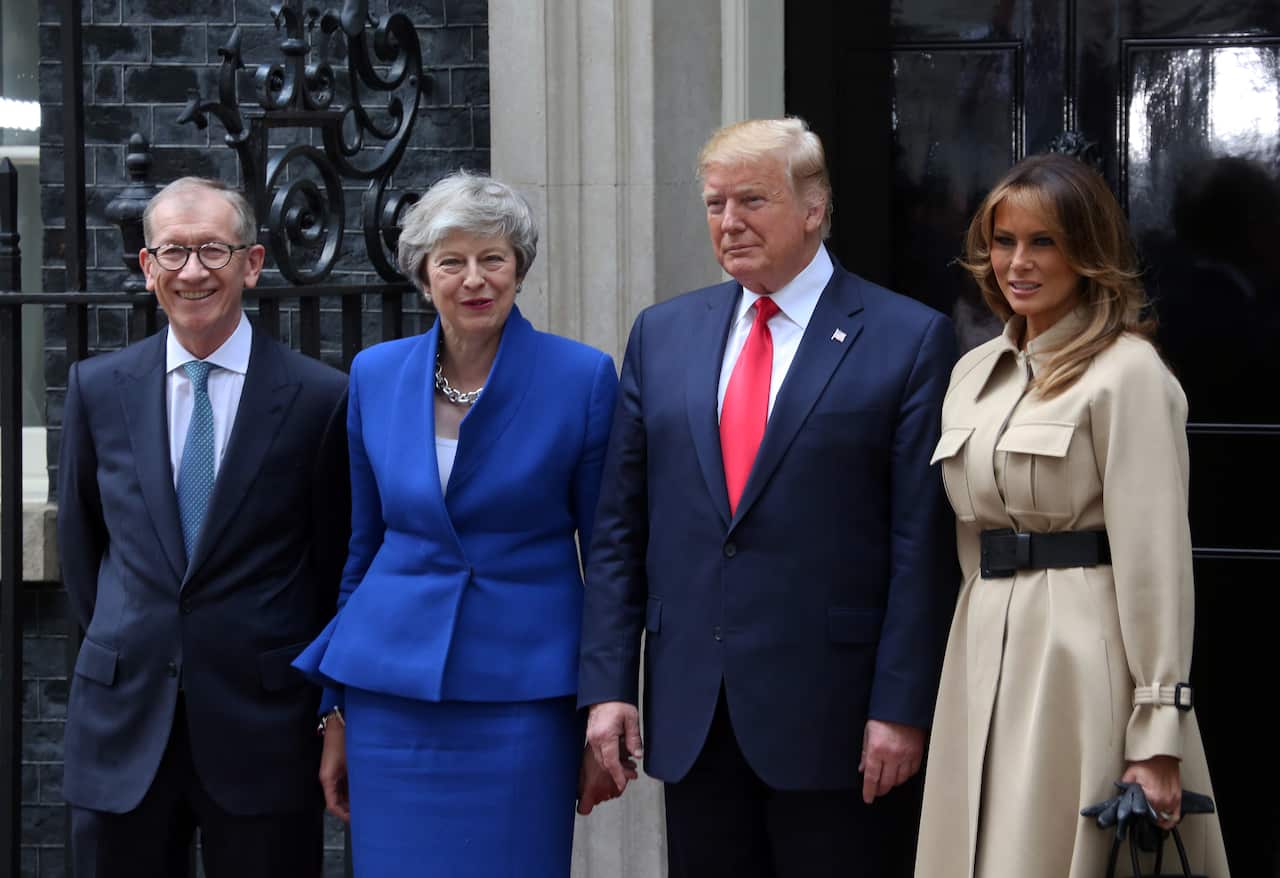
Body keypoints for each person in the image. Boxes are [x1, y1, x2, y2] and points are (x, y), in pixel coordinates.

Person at [578, 117, 959, 878]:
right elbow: (621, 526)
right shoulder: (663, 334)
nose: (729, 223)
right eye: (715, 204)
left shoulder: (907, 338)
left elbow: (923, 546)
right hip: (693, 713)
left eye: (751, 200)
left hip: (838, 720)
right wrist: (609, 687)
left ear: (813, 208)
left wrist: (902, 706)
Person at [292, 171, 622, 875]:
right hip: (388, 698)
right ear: (423, 275)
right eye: (453, 262)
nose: (475, 279)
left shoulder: (582, 378)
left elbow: (608, 557)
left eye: (493, 259)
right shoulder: (375, 375)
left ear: (519, 268)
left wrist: (606, 702)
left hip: (522, 696)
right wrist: (334, 710)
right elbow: (364, 549)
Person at [915, 152, 1231, 877]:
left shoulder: (1128, 374)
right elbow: (971, 536)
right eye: (1003, 241)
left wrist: (1156, 733)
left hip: (1081, 656)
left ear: (1088, 251)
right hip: (979, 644)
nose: (1016, 263)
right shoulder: (974, 373)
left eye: (1043, 241)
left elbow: (1155, 561)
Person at [57, 177, 350, 877]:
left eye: (213, 251)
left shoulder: (319, 398)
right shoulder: (98, 389)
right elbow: (81, 547)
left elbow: (334, 560)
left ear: (251, 263)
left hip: (263, 729)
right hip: (122, 724)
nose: (194, 271)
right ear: (147, 268)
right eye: (174, 253)